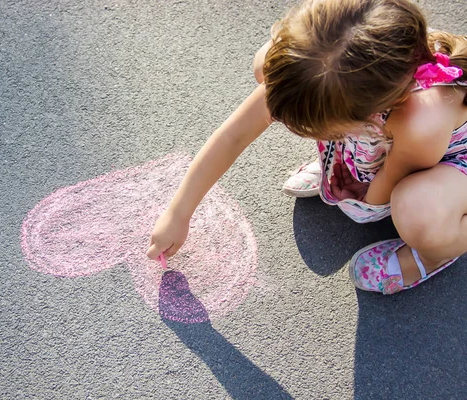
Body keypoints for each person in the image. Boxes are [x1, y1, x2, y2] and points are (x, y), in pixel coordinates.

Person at [146, 0, 467, 295]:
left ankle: (433, 253)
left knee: (417, 211)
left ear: (366, 114)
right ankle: (352, 161)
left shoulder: (421, 121)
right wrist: (179, 211)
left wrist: (355, 197)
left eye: (319, 129)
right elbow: (233, 136)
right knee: (273, 80)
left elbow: (384, 191)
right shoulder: (312, 65)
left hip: (450, 160)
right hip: (384, 128)